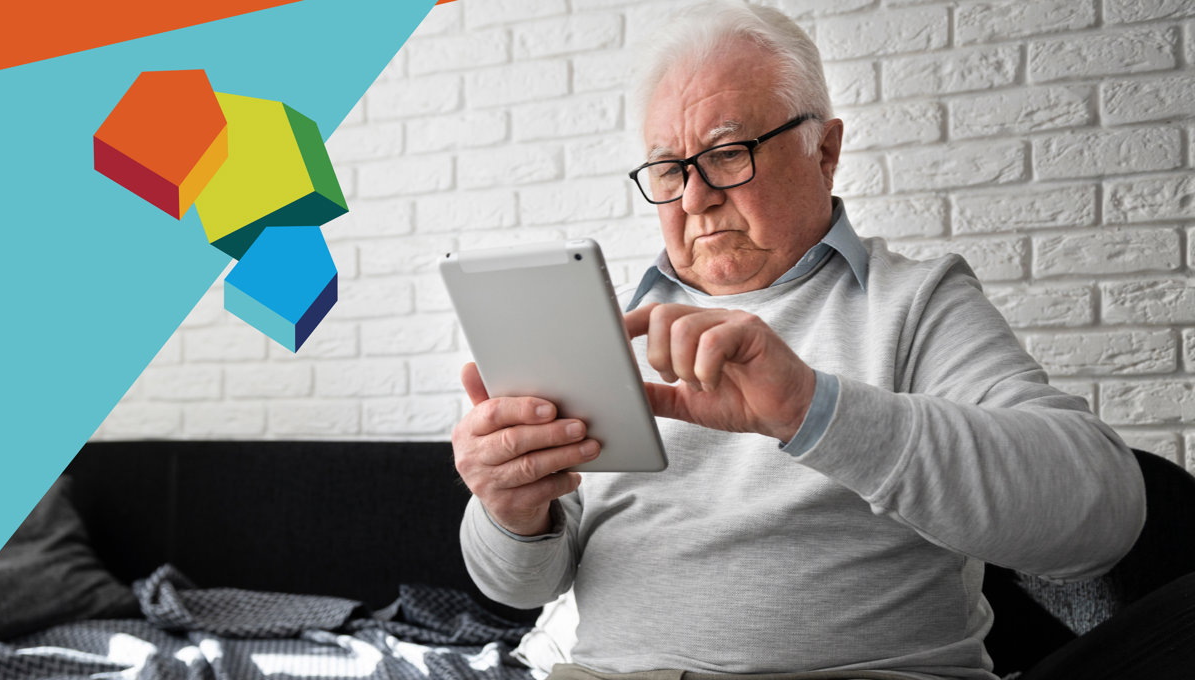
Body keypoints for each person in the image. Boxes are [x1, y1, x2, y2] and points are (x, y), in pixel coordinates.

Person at [451, 2, 1146, 679]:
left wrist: (816, 410)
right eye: (668, 170)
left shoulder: (914, 302)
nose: (693, 198)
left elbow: (1104, 515)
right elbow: (521, 587)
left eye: (727, 154)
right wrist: (509, 510)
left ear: (826, 151)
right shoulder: (612, 326)